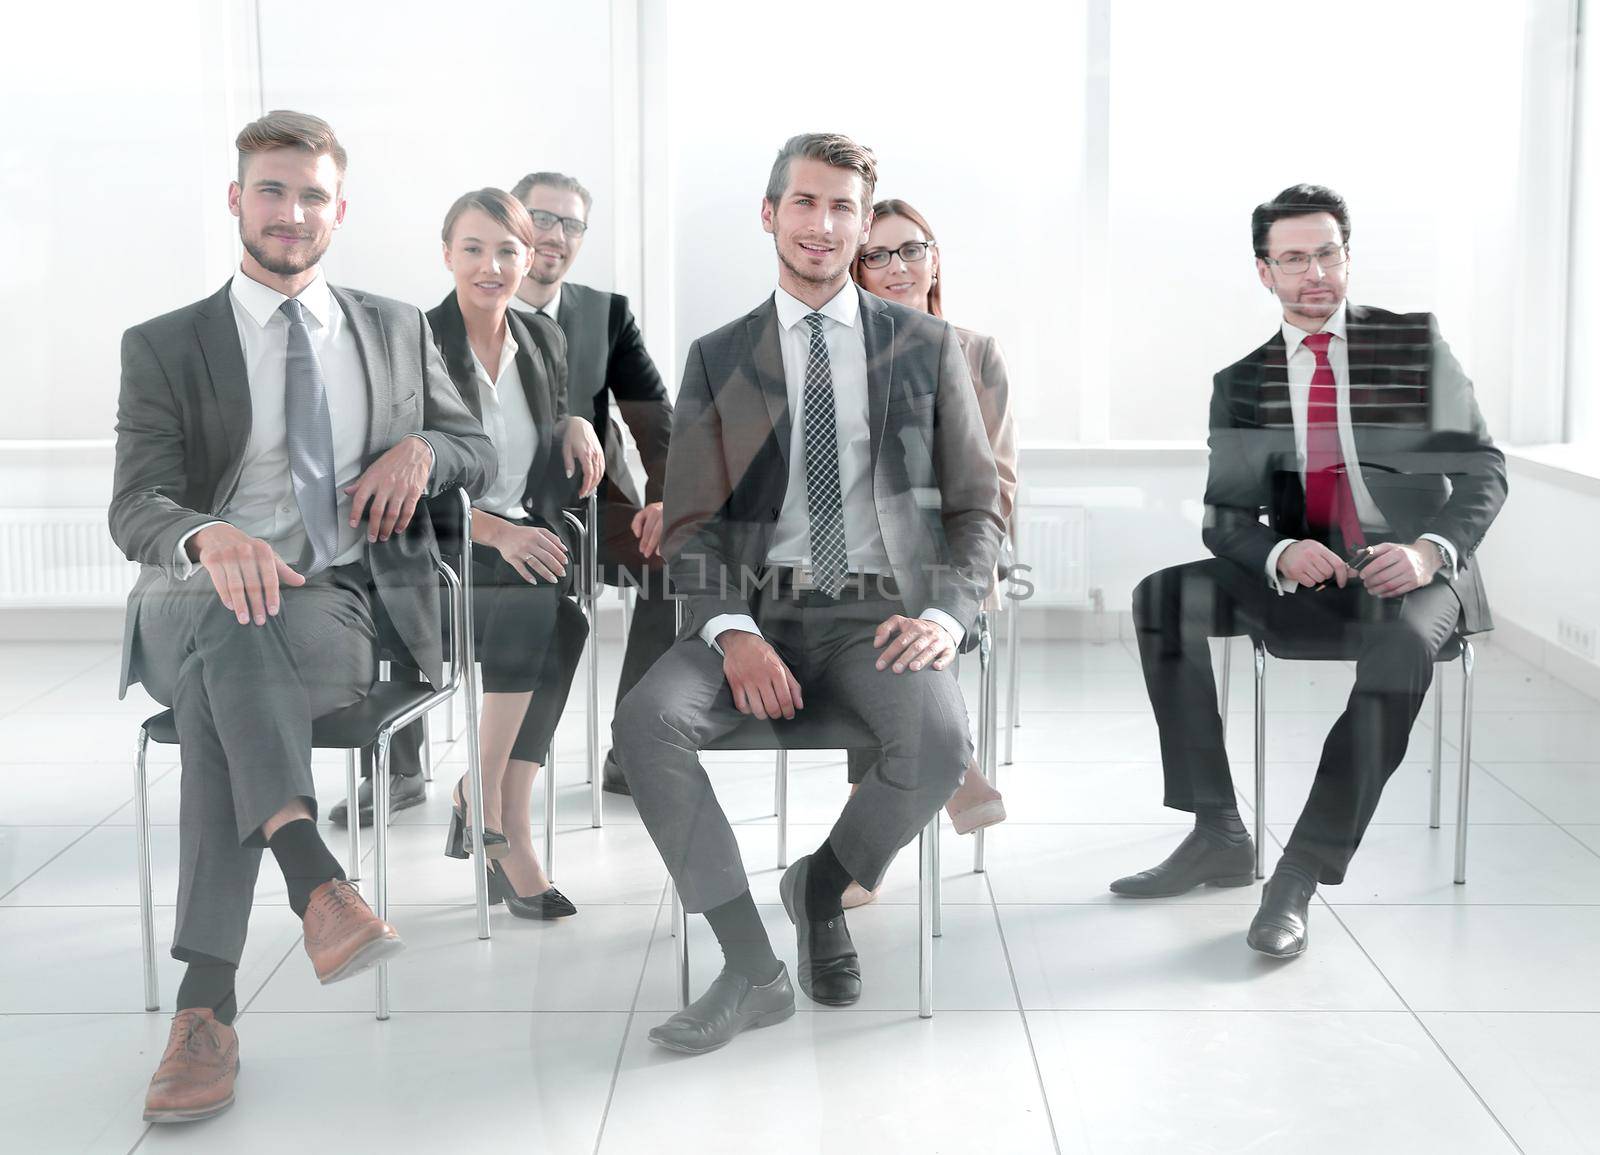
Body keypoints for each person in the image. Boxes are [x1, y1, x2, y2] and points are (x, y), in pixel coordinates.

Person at [111, 111, 497, 1122]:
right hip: (189, 595)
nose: (292, 213)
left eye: (312, 195)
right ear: (237, 199)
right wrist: (206, 536)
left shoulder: (397, 328)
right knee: (228, 619)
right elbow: (134, 504)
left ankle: (207, 1008)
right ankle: (311, 873)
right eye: (272, 191)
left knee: (225, 689)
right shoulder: (164, 344)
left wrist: (422, 452)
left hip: (334, 603)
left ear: (340, 209)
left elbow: (476, 449)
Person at [612, 133, 1005, 1054]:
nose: (822, 225)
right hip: (758, 611)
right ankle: (751, 967)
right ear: (770, 213)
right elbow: (695, 522)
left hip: (880, 613)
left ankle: (821, 888)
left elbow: (978, 505)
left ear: (864, 225)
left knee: (942, 740)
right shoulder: (727, 356)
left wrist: (947, 614)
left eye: (842, 208)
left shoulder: (924, 346)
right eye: (804, 203)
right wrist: (735, 634)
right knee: (645, 724)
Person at [1111, 184, 1507, 959]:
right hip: (1311, 575)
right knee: (1162, 596)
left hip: (1414, 575)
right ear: (1266, 272)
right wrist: (1278, 551)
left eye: (1328, 253)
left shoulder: (1411, 344)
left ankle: (1298, 871)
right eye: (1294, 258)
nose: (1315, 272)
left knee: (1400, 650)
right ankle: (1217, 828)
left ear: (1348, 257)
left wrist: (1429, 550)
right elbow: (1224, 518)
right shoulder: (1244, 381)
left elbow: (1485, 469)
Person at [427, 187, 606, 917]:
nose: (491, 265)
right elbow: (396, 475)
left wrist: (572, 421)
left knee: (570, 619)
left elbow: (543, 411)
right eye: (473, 248)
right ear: (447, 254)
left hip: (516, 541)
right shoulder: (414, 344)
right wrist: (495, 531)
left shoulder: (543, 341)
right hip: (435, 551)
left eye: (508, 250)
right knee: (538, 599)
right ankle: (504, 829)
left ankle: (487, 793)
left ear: (529, 257)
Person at [841, 197, 1017, 907]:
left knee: (894, 608)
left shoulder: (975, 352)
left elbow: (999, 478)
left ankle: (859, 855)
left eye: (910, 249)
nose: (896, 267)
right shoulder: (840, 353)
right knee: (869, 602)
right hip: (866, 557)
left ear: (934, 257)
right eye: (876, 255)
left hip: (956, 554)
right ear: (856, 268)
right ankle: (954, 769)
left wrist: (967, 557)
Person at [508, 172, 675, 797]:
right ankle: (408, 766)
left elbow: (657, 422)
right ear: (512, 221)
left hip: (595, 507)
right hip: (500, 514)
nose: (555, 236)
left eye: (570, 224)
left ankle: (631, 748)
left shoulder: (607, 315)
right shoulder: (463, 311)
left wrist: (662, 497)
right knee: (397, 558)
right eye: (541, 218)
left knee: (677, 564)